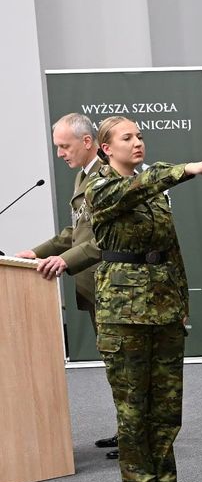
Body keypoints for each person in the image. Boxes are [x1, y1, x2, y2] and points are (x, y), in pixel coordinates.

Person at [85, 116, 202, 482]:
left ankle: (165, 479)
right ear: (105, 148)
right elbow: (137, 187)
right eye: (127, 138)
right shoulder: (103, 188)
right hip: (123, 311)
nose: (137, 143)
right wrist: (185, 169)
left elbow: (171, 247)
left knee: (167, 401)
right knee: (133, 404)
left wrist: (182, 298)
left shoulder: (153, 191)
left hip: (163, 305)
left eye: (140, 136)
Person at [16, 113, 118, 456]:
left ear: (87, 142)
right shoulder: (82, 177)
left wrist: (65, 260)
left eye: (64, 145)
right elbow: (75, 233)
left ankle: (136, 436)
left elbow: (105, 239)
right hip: (93, 287)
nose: (59, 152)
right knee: (114, 366)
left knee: (124, 367)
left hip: (113, 286)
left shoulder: (107, 176)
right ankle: (127, 430)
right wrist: (36, 252)